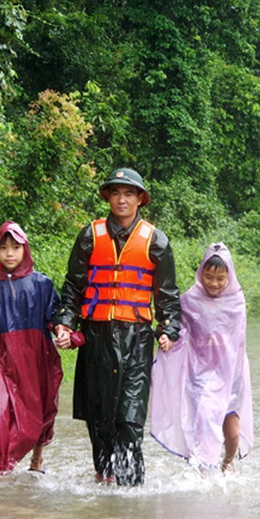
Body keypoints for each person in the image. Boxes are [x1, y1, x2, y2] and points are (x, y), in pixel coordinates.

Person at [54, 168, 181, 486]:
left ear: (140, 199)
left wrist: (168, 329)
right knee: (99, 418)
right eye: (115, 193)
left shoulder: (157, 241)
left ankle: (131, 493)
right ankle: (103, 483)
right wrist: (65, 324)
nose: (121, 199)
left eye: (128, 193)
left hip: (136, 340)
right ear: (108, 197)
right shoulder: (89, 236)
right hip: (96, 337)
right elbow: (73, 287)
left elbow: (167, 294)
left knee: (129, 418)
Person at [0, 221, 63, 477]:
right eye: (3, 247)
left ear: (25, 250)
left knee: (41, 409)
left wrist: (64, 331)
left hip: (34, 359)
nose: (9, 253)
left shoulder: (41, 284)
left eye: (16, 247)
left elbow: (56, 315)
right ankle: (1, 471)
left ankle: (37, 459)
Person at [150, 243, 253, 473]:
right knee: (205, 420)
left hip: (231, 373)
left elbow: (239, 341)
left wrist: (232, 372)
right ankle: (203, 471)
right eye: (208, 277)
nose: (213, 283)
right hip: (200, 372)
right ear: (200, 274)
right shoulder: (190, 300)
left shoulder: (236, 302)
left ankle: (227, 460)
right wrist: (169, 339)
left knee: (232, 432)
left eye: (220, 278)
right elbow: (180, 330)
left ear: (229, 276)